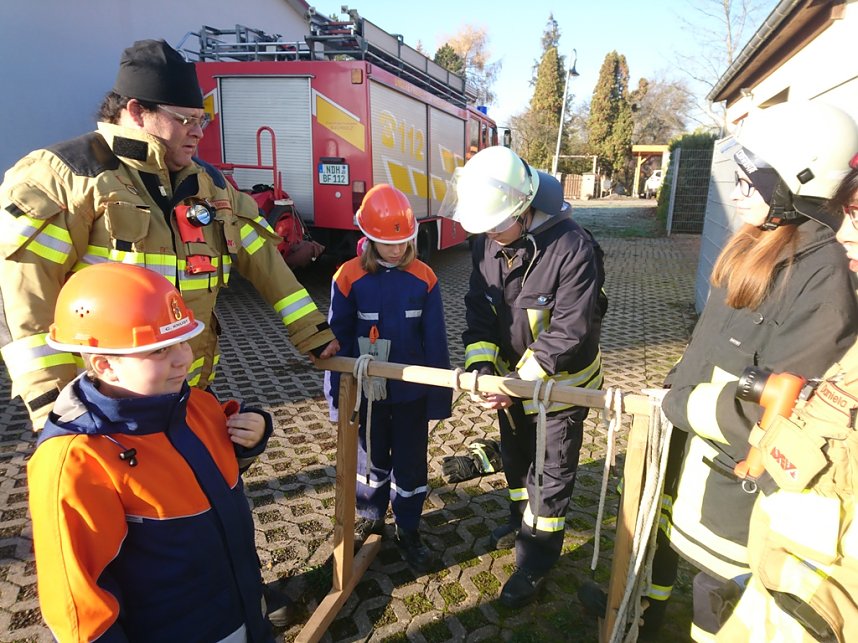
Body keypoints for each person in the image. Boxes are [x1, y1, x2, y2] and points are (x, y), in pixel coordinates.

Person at [0, 39, 337, 433]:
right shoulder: (66, 178)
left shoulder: (208, 184)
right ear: (136, 112)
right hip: (104, 403)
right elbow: (24, 301)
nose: (197, 133)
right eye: (185, 120)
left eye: (202, 120)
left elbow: (263, 260)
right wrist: (55, 410)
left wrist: (312, 332)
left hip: (185, 392)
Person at [647, 101, 858, 641]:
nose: (739, 191)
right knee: (674, 555)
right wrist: (678, 381)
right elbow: (714, 348)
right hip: (694, 458)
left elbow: (788, 412)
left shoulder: (823, 280)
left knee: (718, 606)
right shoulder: (756, 246)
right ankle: (647, 612)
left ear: (799, 185)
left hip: (735, 490)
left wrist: (680, 402)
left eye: (753, 180)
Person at [27, 262, 275, 642]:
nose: (184, 358)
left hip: (241, 611)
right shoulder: (76, 461)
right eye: (160, 350)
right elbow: (80, 606)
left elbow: (215, 471)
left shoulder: (196, 406)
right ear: (106, 365)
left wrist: (253, 435)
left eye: (183, 340)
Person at [441, 146, 607, 608]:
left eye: (497, 226)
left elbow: (570, 329)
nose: (491, 236)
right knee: (516, 460)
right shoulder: (488, 242)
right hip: (510, 385)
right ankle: (519, 519)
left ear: (524, 208)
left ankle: (537, 558)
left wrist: (514, 384)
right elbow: (480, 310)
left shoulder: (573, 247)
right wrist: (481, 368)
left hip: (560, 385)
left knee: (550, 472)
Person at [716, 158, 858, 641]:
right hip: (786, 576)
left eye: (856, 216)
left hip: (818, 595)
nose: (844, 233)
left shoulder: (824, 288)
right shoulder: (759, 250)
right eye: (848, 212)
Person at [324, 184, 452, 573]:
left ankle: (409, 528)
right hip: (368, 395)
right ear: (367, 237)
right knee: (372, 457)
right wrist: (337, 399)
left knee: (411, 463)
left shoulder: (425, 278)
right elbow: (337, 340)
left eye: (403, 242)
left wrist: (438, 398)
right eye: (386, 242)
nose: (396, 250)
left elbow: (436, 341)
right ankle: (371, 516)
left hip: (412, 394)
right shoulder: (348, 277)